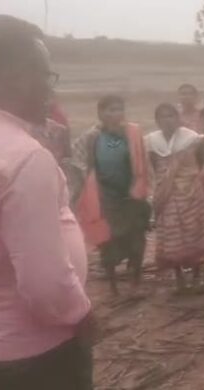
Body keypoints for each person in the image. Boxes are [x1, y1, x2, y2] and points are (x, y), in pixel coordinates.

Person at [0, 15, 93, 390]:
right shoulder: (22, 157)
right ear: (14, 78)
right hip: (33, 355)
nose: (51, 88)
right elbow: (45, 285)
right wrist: (80, 314)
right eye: (46, 75)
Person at [72, 95, 151, 295]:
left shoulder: (132, 134)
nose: (116, 114)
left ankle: (135, 281)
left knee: (136, 237)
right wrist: (85, 190)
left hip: (131, 195)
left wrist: (139, 189)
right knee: (107, 240)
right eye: (111, 110)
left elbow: (142, 164)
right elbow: (82, 164)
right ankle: (113, 286)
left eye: (119, 109)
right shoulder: (92, 137)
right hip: (105, 196)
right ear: (100, 113)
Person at [146, 103, 204, 295]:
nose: (167, 120)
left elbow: (200, 161)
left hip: (191, 191)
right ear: (157, 121)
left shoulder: (191, 138)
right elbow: (155, 166)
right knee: (172, 233)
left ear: (178, 118)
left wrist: (185, 177)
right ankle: (178, 277)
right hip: (167, 194)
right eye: (162, 116)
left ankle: (196, 274)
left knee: (194, 230)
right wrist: (166, 182)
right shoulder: (152, 141)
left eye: (171, 116)